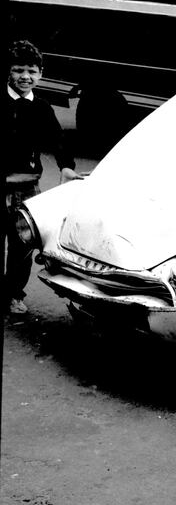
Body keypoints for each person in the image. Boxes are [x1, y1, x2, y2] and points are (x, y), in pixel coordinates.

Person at [4, 40, 83, 315]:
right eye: (18, 70)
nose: (25, 77)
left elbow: (58, 140)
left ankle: (13, 294)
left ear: (40, 73)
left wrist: (66, 167)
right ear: (8, 71)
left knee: (22, 245)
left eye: (32, 71)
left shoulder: (42, 108)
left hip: (27, 188)